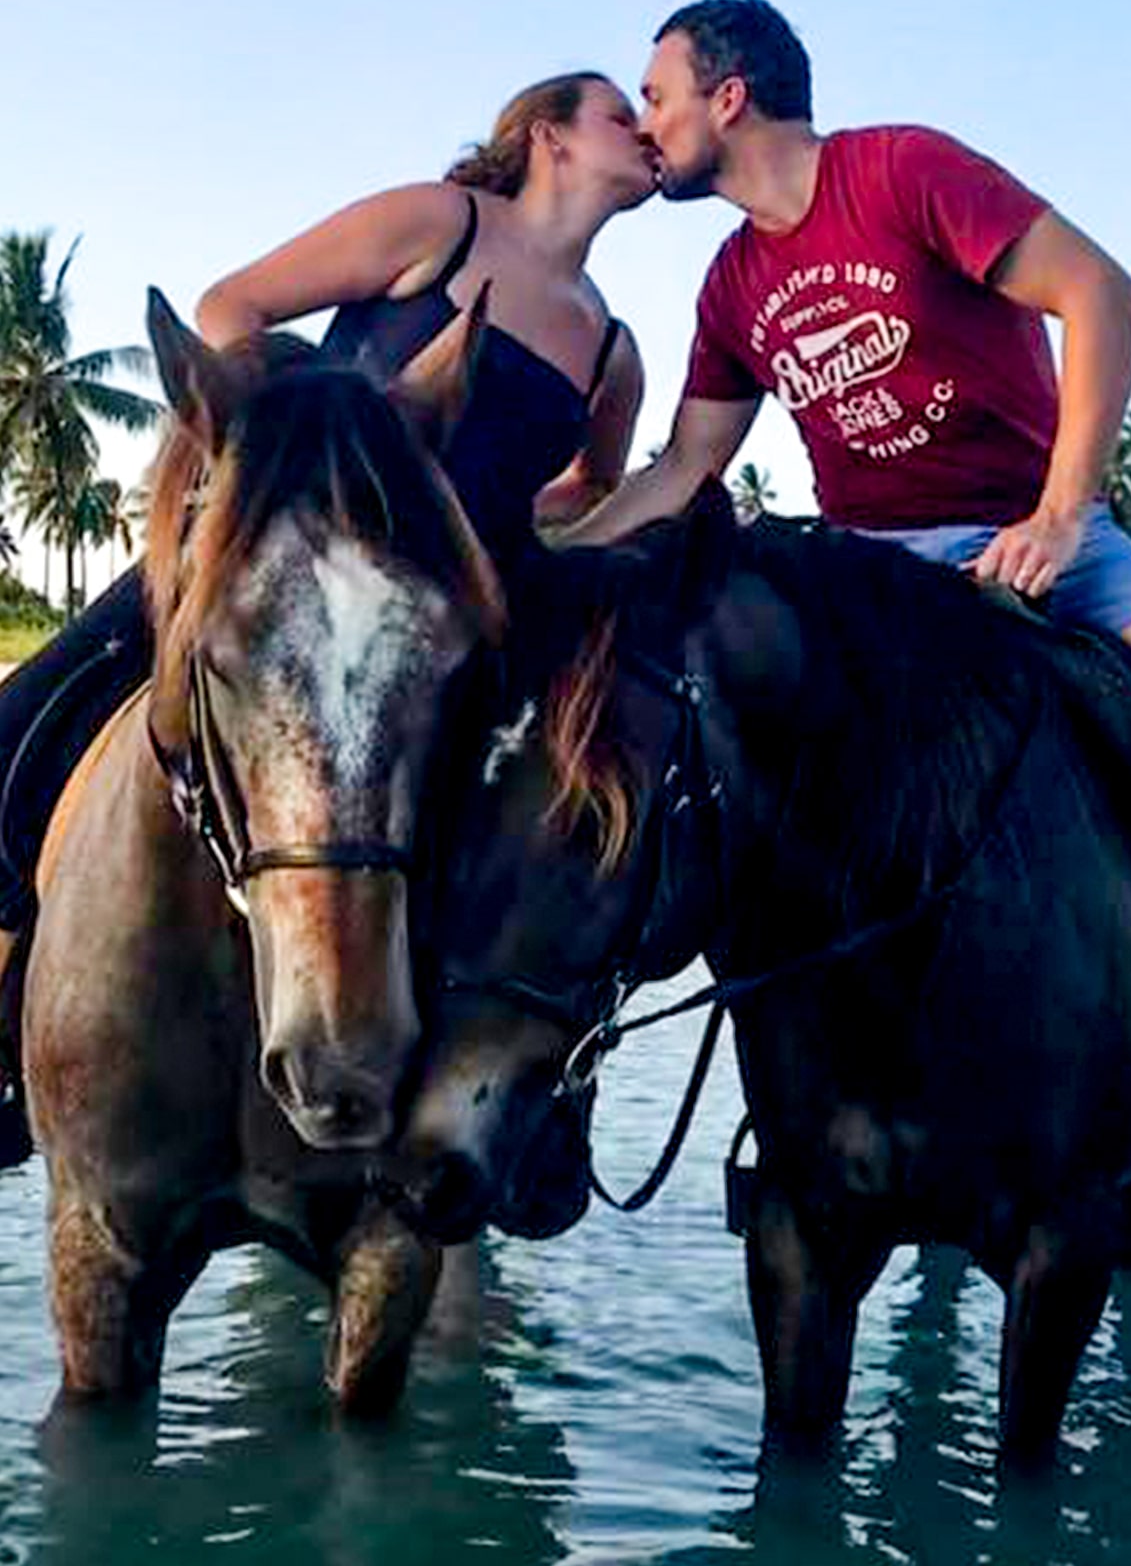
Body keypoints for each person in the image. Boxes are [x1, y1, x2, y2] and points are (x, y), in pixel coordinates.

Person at [569, 0, 1131, 1155]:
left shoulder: (902, 172)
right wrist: (553, 561)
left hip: (1030, 528)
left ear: (730, 95)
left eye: (660, 93)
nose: (648, 120)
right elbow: (685, 464)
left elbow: (1104, 295)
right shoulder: (731, 284)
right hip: (870, 569)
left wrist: (1061, 515)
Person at [0, 69, 654, 945]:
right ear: (550, 134)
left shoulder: (615, 351)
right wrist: (278, 462)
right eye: (622, 112)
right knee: (36, 712)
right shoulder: (441, 222)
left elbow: (591, 486)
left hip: (438, 613)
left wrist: (480, 531)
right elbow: (233, 304)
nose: (647, 127)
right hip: (293, 554)